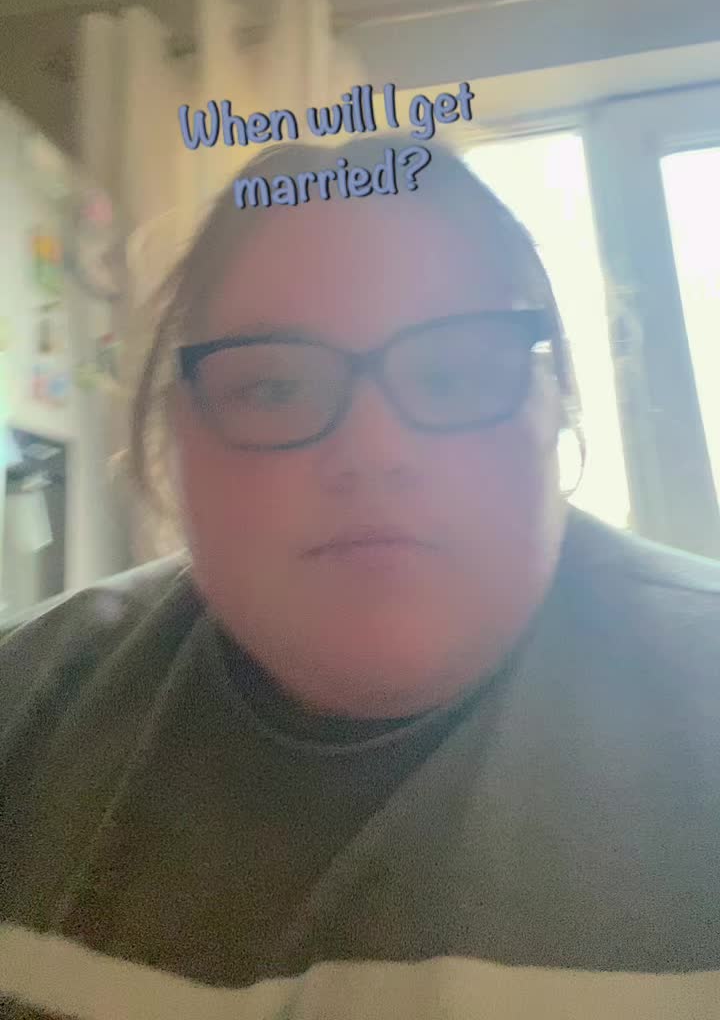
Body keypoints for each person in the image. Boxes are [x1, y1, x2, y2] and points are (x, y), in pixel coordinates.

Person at [1, 136, 719, 1020]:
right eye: (273, 388)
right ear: (174, 435)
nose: (374, 451)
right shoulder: (25, 703)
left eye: (452, 374)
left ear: (556, 407)